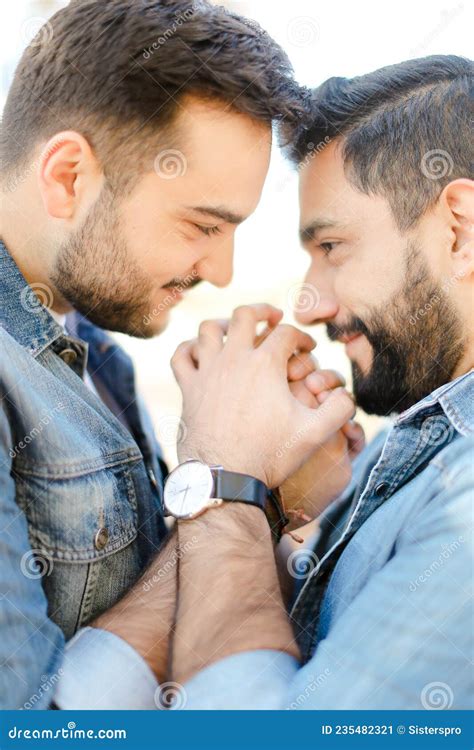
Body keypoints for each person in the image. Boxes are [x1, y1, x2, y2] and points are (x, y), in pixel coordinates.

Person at [75, 55, 473, 710]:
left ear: (460, 230)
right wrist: (278, 498)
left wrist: (225, 480)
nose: (309, 305)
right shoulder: (398, 456)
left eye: (333, 248)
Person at [1, 0, 345, 709]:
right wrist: (227, 476)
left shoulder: (95, 352)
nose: (220, 272)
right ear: (68, 177)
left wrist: (274, 494)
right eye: (202, 224)